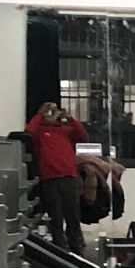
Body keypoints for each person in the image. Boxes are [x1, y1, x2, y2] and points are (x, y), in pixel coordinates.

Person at [27, 100, 92, 251]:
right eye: (49, 111)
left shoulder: (65, 130)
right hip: (49, 178)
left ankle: (76, 247)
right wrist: (40, 115)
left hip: (68, 176)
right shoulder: (40, 131)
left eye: (54, 111)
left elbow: (83, 136)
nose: (52, 114)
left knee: (72, 215)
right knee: (55, 216)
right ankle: (60, 248)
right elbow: (29, 131)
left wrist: (69, 118)